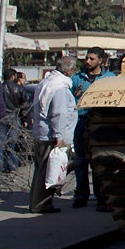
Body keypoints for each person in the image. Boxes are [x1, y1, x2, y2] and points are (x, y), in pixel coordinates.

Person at [29, 55, 79, 214]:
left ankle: (37, 202)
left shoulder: (48, 82)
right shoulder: (60, 88)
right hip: (51, 135)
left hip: (42, 133)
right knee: (46, 171)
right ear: (70, 70)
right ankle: (41, 204)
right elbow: (59, 113)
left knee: (41, 169)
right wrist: (59, 136)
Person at [70, 47, 115, 210]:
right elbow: (69, 101)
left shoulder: (110, 78)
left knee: (100, 160)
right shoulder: (78, 79)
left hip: (101, 123)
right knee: (80, 161)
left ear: (101, 61)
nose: (87, 61)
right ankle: (81, 195)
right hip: (81, 121)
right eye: (86, 58)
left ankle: (101, 197)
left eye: (92, 59)